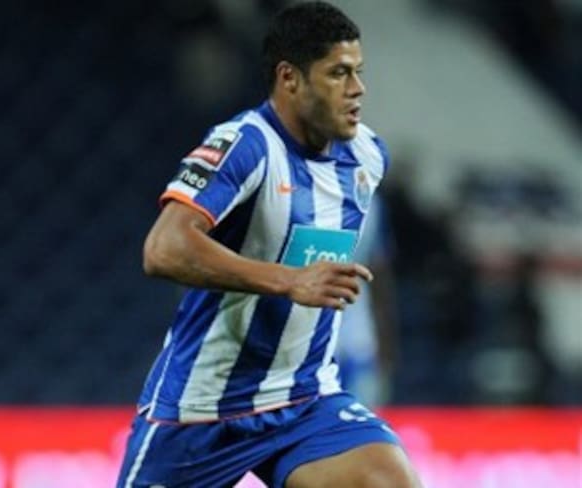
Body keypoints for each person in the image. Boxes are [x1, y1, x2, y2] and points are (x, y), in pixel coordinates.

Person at [116, 2, 422, 487]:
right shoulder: (244, 145)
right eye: (338, 73)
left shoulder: (367, 157)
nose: (357, 89)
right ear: (289, 78)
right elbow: (164, 249)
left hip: (304, 400)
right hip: (202, 409)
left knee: (388, 480)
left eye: (358, 72)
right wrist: (289, 280)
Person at [337, 194, 398, 407]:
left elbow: (378, 271)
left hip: (357, 336)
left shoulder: (371, 199)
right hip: (304, 339)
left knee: (360, 413)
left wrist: (385, 339)